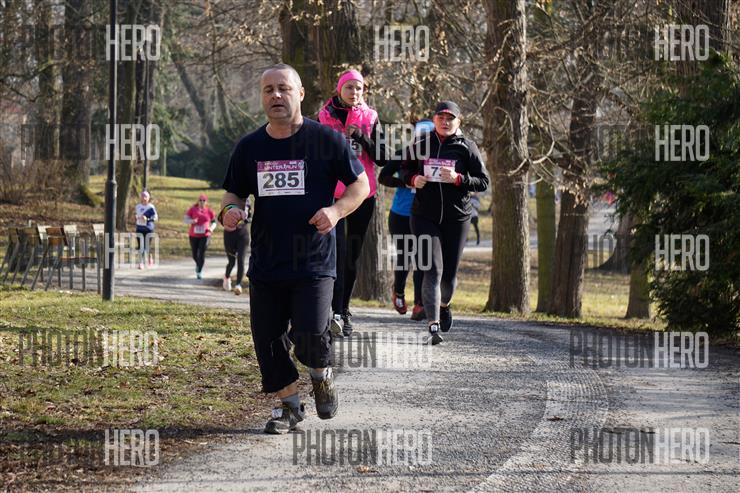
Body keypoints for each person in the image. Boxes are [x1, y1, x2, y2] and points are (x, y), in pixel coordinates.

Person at [219, 64, 369, 434]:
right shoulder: (250, 147)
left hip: (314, 261)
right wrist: (230, 211)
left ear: (300, 94)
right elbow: (233, 192)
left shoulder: (325, 140)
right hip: (267, 261)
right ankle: (288, 407)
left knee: (311, 336)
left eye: (283, 88)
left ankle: (321, 374)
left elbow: (361, 185)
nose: (276, 95)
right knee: (268, 340)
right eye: (268, 89)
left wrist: (335, 211)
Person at [401, 101, 490, 345]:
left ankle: (444, 305)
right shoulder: (420, 144)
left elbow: (483, 181)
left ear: (458, 121)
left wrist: (459, 179)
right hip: (424, 216)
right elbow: (403, 170)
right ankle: (433, 324)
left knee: (448, 275)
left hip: (457, 218)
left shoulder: (467, 147)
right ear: (434, 119)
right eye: (441, 117)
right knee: (432, 269)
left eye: (450, 118)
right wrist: (413, 179)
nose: (445, 121)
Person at [318, 69, 388, 338]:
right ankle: (332, 310)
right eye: (349, 87)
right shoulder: (323, 116)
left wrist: (361, 138)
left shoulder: (371, 117)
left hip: (362, 195)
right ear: (339, 90)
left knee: (352, 255)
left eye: (359, 88)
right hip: (331, 194)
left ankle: (344, 310)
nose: (354, 92)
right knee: (335, 252)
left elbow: (383, 157)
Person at [378, 119, 433, 320]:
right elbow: (383, 177)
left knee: (423, 260)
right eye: (421, 137)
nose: (424, 141)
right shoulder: (404, 154)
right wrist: (405, 182)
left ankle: (420, 304)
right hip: (401, 214)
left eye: (428, 137)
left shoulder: (438, 158)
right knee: (406, 256)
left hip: (426, 215)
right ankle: (399, 291)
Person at [184, 193, 216, 279]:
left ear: (206, 202)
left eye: (204, 200)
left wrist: (211, 228)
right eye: (200, 200)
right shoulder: (192, 209)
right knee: (194, 254)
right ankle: (198, 265)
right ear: (198, 201)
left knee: (201, 252)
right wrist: (192, 221)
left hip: (205, 235)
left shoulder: (209, 211)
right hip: (193, 235)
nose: (202, 202)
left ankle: (199, 271)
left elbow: (214, 222)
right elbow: (185, 219)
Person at [223, 201, 250, 295]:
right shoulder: (229, 200)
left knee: (241, 260)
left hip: (243, 235)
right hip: (229, 235)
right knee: (231, 262)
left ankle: (238, 285)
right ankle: (227, 277)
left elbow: (250, 217)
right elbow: (222, 218)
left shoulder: (247, 203)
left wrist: (246, 219)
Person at [134, 190, 158, 269]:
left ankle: (150, 258)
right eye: (142, 196)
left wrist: (147, 219)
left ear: (148, 198)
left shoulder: (151, 207)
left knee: (146, 246)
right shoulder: (138, 206)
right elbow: (136, 215)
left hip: (148, 229)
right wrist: (136, 217)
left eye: (145, 197)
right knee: (140, 246)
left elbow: (155, 217)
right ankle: (141, 263)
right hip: (139, 228)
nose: (144, 198)